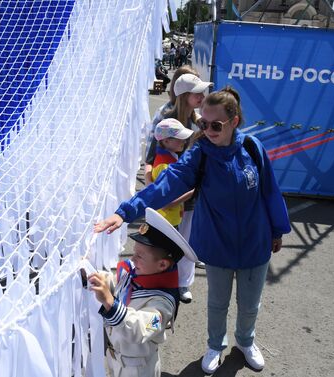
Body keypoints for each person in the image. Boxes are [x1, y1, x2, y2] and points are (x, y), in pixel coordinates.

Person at [94, 87, 291, 374]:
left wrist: (277, 230)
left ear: (234, 122)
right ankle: (215, 345)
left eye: (216, 125)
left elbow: (270, 192)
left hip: (255, 243)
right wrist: (125, 212)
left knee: (250, 304)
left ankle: (246, 342)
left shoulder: (252, 148)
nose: (208, 130)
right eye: (203, 124)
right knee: (217, 302)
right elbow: (166, 184)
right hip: (217, 244)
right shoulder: (200, 155)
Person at [88, 208, 197, 377]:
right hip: (115, 357)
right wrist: (92, 276)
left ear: (162, 265)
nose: (132, 259)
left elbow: (140, 329)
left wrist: (110, 303)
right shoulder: (138, 272)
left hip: (137, 369)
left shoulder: (163, 305)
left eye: (139, 255)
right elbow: (117, 284)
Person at [145, 71, 213, 302]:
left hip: (187, 193)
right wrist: (149, 174)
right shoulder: (166, 118)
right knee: (165, 240)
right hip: (174, 194)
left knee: (186, 237)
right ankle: (160, 281)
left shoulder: (197, 118)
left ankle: (183, 283)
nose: (202, 97)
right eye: (197, 94)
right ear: (185, 96)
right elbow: (153, 150)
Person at [151, 118, 193, 227]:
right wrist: (193, 192)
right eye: (180, 138)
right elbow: (165, 202)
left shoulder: (170, 158)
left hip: (169, 219)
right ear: (166, 141)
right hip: (165, 222)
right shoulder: (165, 166)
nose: (184, 141)